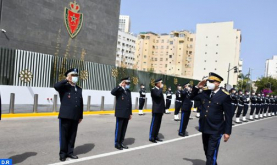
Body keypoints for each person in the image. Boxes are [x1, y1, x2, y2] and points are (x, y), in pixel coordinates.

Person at [190, 72, 232, 165]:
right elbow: (191, 97)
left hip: (216, 129)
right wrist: (197, 87)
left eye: (211, 81)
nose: (209, 83)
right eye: (208, 81)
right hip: (205, 127)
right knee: (206, 150)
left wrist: (227, 132)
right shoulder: (205, 92)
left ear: (218, 83)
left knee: (211, 153)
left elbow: (228, 115)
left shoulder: (224, 95)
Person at [54, 68, 83, 162]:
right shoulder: (64, 87)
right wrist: (66, 80)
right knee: (64, 135)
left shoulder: (79, 89)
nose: (75, 78)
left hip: (75, 116)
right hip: (65, 115)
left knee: (72, 135)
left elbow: (80, 103)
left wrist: (80, 116)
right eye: (73, 75)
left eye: (76, 76)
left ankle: (70, 152)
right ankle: (63, 153)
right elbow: (56, 86)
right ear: (69, 76)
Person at [111, 77, 132, 150]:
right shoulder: (119, 90)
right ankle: (117, 143)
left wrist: (130, 113)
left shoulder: (128, 91)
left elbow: (130, 103)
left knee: (124, 129)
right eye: (126, 83)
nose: (128, 84)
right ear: (123, 83)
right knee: (119, 129)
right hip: (120, 113)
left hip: (126, 113)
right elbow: (112, 92)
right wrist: (119, 85)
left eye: (129, 83)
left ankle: (121, 142)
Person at [149, 78, 165, 143]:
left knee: (158, 124)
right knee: (154, 124)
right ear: (157, 83)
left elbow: (162, 101)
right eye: (160, 83)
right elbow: (157, 95)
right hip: (156, 110)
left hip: (160, 110)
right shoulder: (153, 90)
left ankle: (156, 136)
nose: (161, 84)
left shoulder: (159, 90)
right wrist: (161, 88)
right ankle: (151, 137)